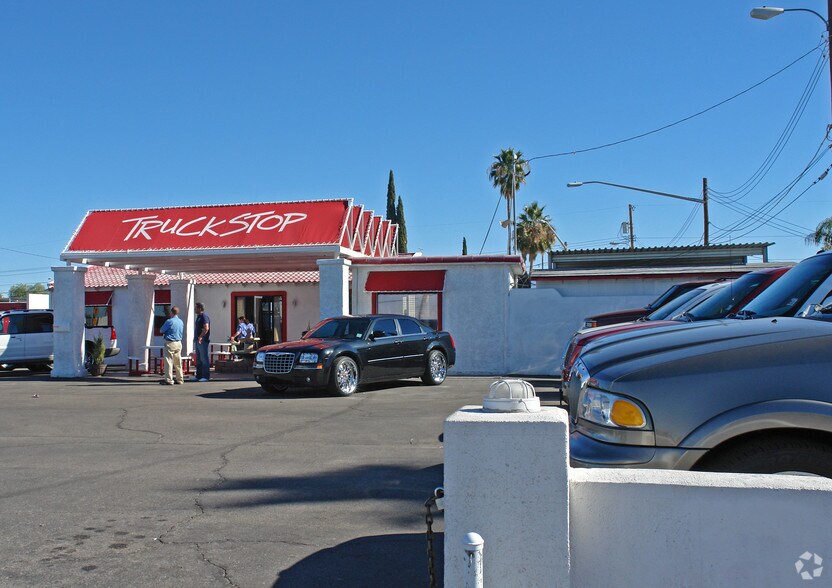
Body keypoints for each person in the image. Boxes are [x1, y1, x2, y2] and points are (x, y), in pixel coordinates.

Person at [159, 306, 184, 385]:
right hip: (178, 342)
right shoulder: (181, 321)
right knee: (178, 362)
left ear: (171, 312)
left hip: (170, 342)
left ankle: (169, 379)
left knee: (169, 361)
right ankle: (180, 379)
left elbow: (161, 330)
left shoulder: (169, 321)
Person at [193, 302, 211, 382]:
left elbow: (206, 328)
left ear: (200, 308)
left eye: (196, 307)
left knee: (204, 359)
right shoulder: (198, 317)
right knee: (199, 358)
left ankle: (205, 376)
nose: (195, 309)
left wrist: (201, 336)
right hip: (197, 340)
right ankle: (199, 375)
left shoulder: (204, 316)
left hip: (203, 340)